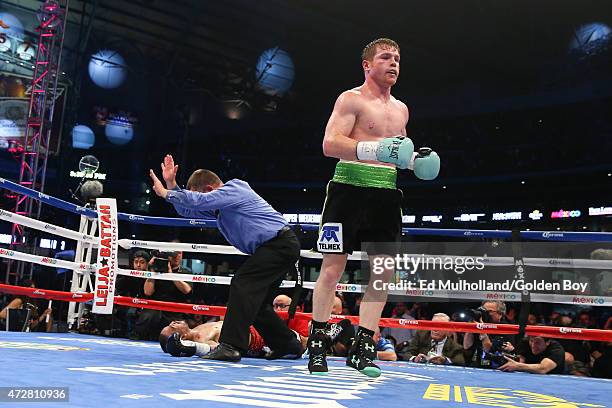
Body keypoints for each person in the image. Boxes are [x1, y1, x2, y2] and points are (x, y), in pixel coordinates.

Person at [307, 38, 440, 377]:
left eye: (397, 58)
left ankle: (363, 347)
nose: (393, 63)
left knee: (381, 273)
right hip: (347, 189)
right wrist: (377, 149)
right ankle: (318, 344)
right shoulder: (350, 99)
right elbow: (330, 144)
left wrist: (414, 161)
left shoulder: (401, 109)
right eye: (385, 57)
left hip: (385, 194)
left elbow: (396, 154)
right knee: (333, 269)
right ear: (367, 65)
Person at [150, 154, 302, 361]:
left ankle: (231, 346)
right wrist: (171, 185)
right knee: (258, 304)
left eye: (202, 196)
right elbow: (189, 209)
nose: (202, 201)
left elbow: (198, 201)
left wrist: (168, 193)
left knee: (242, 283)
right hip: (275, 247)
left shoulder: (235, 188)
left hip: (279, 244)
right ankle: (288, 345)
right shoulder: (221, 209)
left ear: (210, 190)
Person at [134, 249, 192, 340]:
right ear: (167, 255)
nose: (177, 256)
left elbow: (186, 290)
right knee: (147, 316)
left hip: (175, 310)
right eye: (174, 253)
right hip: (154, 308)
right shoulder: (156, 270)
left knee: (180, 331)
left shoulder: (185, 272)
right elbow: (147, 292)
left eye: (179, 253)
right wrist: (152, 271)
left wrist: (170, 274)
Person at [463, 300, 515, 369]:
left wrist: (482, 329)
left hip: (496, 369)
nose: (485, 313)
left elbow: (489, 350)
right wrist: (471, 325)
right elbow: (467, 346)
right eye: (483, 310)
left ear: (500, 314)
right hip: (476, 367)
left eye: (489, 311)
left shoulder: (506, 328)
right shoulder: (479, 324)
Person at [398, 313, 464, 365]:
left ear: (447, 330)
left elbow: (460, 361)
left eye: (440, 326)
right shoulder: (421, 335)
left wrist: (445, 360)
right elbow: (407, 354)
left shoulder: (454, 346)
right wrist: (415, 359)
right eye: (433, 325)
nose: (435, 329)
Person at [500, 336, 565, 375]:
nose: (533, 346)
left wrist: (518, 366)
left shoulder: (556, 349)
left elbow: (542, 369)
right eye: (531, 341)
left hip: (552, 379)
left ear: (547, 342)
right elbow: (519, 361)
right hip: (528, 377)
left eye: (537, 342)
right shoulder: (525, 342)